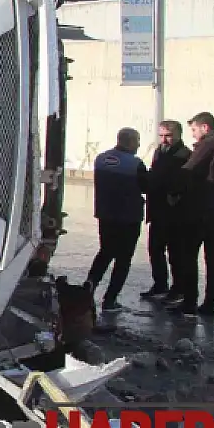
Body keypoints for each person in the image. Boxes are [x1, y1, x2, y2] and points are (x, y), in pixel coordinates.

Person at [84, 127, 147, 312]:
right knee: (123, 260)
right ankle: (110, 300)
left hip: (106, 215)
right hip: (128, 218)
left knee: (104, 253)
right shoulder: (135, 164)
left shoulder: (101, 159)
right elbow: (146, 186)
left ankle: (88, 288)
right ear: (129, 142)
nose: (139, 144)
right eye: (137, 140)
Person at [172, 111, 214, 317]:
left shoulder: (209, 143)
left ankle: (190, 300)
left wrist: (173, 192)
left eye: (194, 130)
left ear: (205, 127)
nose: (193, 135)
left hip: (201, 209)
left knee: (188, 254)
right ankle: (210, 302)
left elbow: (188, 170)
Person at [139, 121, 192, 301]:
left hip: (175, 212)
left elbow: (184, 182)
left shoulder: (185, 155)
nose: (164, 139)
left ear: (178, 135)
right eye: (161, 135)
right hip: (157, 209)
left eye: (168, 135)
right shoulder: (159, 152)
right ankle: (160, 284)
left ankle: (178, 288)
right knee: (155, 250)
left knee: (176, 253)